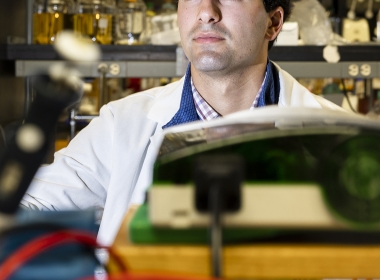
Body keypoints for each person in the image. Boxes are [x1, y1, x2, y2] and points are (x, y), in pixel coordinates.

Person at [21, 0, 343, 245]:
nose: (206, 12)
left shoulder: (341, 138)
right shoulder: (122, 124)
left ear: (273, 24)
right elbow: (28, 206)